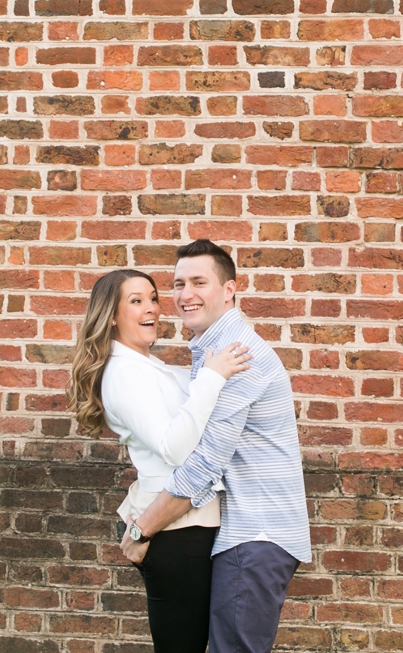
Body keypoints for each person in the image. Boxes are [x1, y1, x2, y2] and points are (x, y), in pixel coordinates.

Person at [120, 240, 311, 653]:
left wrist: (140, 529)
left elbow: (204, 465)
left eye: (199, 282)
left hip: (255, 533)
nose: (185, 295)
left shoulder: (237, 355)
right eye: (178, 284)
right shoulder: (213, 350)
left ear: (230, 289)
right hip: (246, 533)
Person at [66, 268, 251, 653]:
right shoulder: (125, 375)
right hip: (174, 529)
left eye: (153, 298)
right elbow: (175, 449)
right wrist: (212, 379)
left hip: (186, 523)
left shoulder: (152, 368)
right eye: (136, 301)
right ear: (112, 315)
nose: (151, 308)